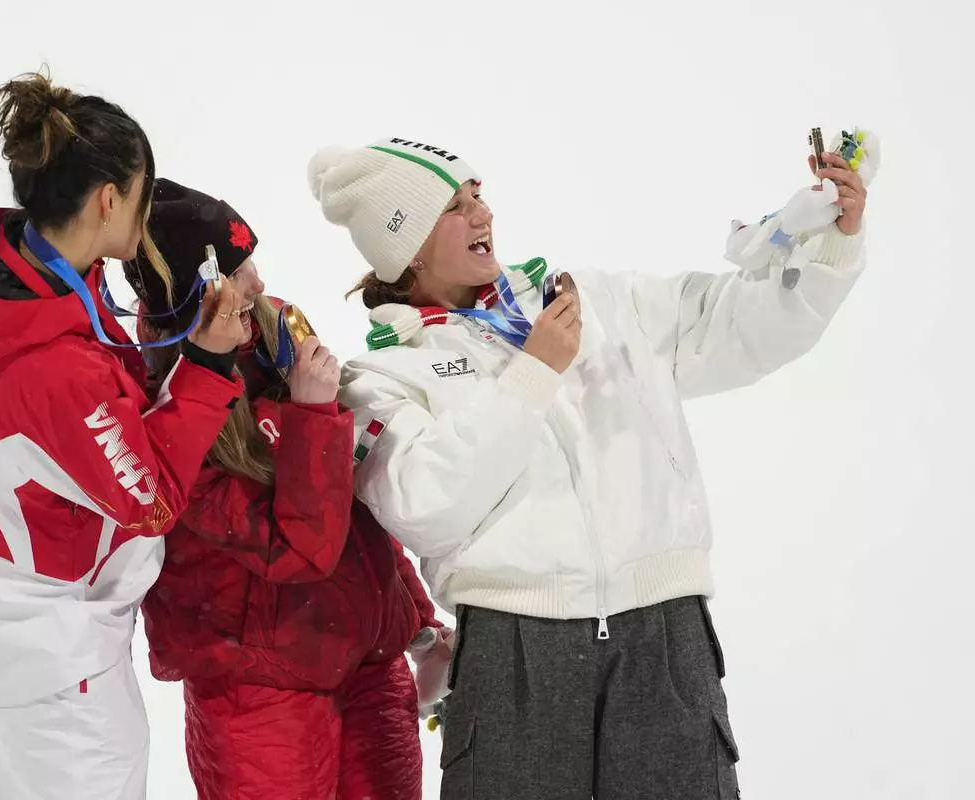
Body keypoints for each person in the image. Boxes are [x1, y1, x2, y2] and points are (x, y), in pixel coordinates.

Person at [307, 134, 874, 799]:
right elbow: (427, 508)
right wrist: (535, 372)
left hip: (665, 633)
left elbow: (745, 326)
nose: (482, 214)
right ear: (405, 246)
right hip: (512, 651)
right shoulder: (380, 377)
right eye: (453, 208)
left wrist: (832, 243)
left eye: (478, 195)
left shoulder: (596, 303)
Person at [0, 72, 247, 800]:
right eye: (144, 192)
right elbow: (151, 499)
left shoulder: (5, 262)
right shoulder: (54, 369)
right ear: (107, 200)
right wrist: (205, 366)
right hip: (52, 663)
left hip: (0, 627)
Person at [122, 178, 448, 800]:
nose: (257, 283)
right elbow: (302, 551)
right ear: (194, 291)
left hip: (368, 666)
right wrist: (312, 416)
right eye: (236, 268)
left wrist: (419, 624)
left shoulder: (277, 333)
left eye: (251, 260)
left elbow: (354, 504)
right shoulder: (158, 409)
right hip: (258, 694)